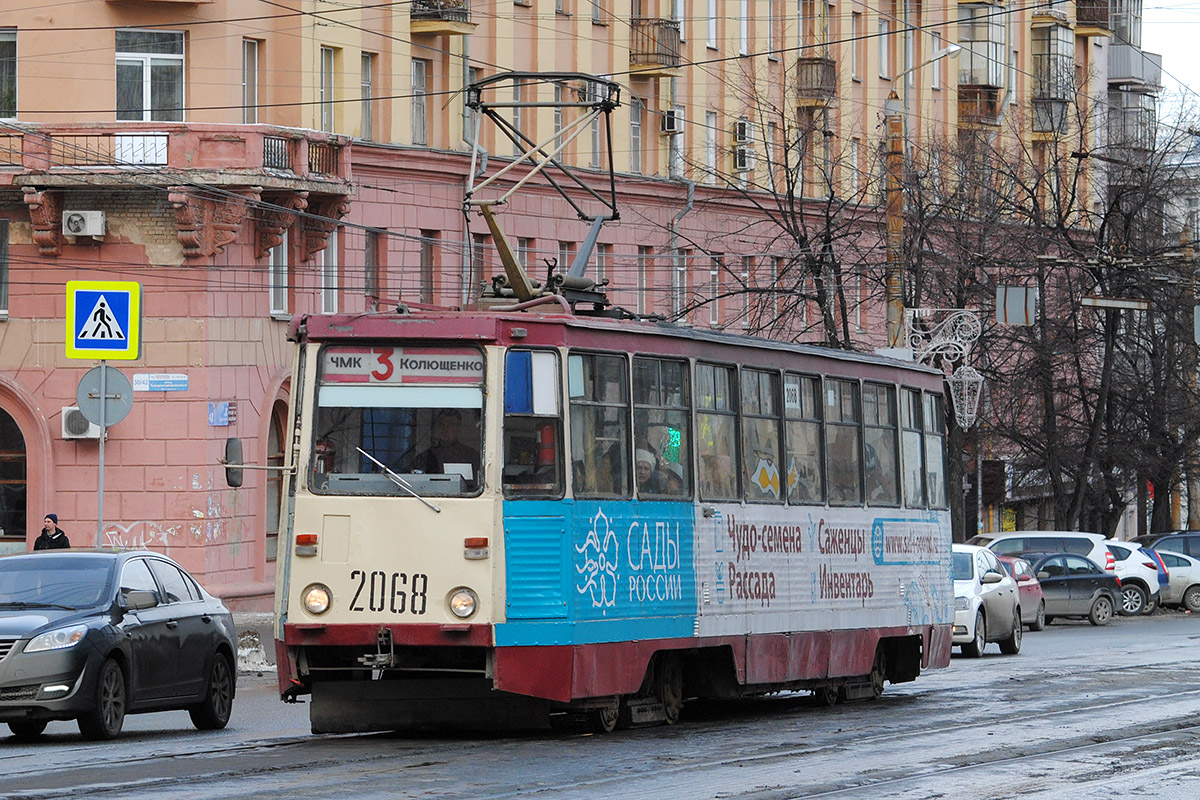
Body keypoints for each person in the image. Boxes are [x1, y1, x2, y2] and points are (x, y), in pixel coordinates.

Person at [415, 409, 480, 483]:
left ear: (458, 428)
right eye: (442, 424)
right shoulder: (425, 457)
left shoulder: (471, 456)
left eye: (450, 425)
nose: (445, 428)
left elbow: (475, 485)